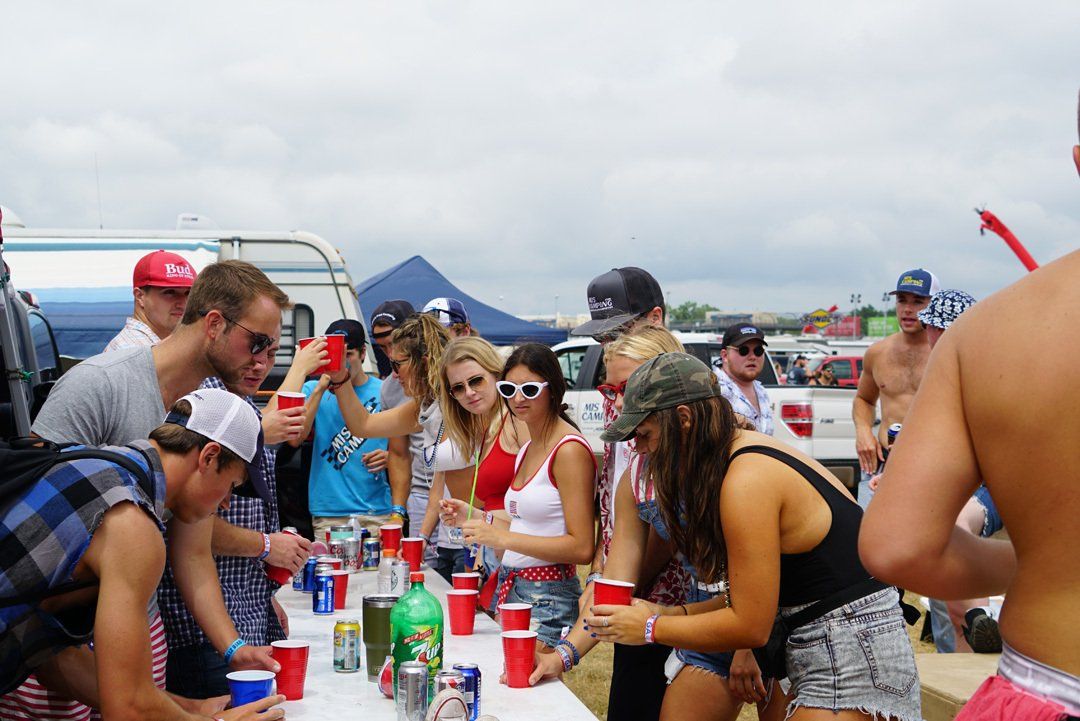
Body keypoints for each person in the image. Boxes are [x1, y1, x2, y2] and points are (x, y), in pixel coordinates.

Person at [587, 353, 921, 721]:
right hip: (830, 641)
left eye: (645, 434)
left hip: (851, 654)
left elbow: (749, 625)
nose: (640, 448)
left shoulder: (745, 479)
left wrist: (651, 627)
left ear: (683, 419)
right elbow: (747, 598)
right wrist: (665, 612)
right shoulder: (737, 454)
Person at [28, 261, 300, 692]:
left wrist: (232, 648)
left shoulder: (211, 405)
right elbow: (32, 540)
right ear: (214, 324)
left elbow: (191, 550)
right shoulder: (98, 387)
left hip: (145, 637)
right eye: (259, 341)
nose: (264, 359)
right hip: (62, 647)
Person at [0, 389, 284, 721]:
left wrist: (192, 708)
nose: (226, 504)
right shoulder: (131, 523)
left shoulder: (95, 463)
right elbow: (127, 709)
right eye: (232, 486)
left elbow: (52, 656)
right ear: (208, 456)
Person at [158, 333, 322, 700]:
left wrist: (258, 606)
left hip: (231, 628)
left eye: (271, 353)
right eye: (231, 487)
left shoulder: (151, 493)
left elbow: (193, 549)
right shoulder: (132, 515)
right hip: (196, 641)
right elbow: (124, 701)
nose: (228, 503)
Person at [442, 343, 596, 650]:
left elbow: (582, 548)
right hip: (516, 586)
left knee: (527, 687)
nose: (517, 397)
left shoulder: (568, 450)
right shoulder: (528, 447)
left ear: (553, 388)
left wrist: (502, 539)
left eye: (528, 388)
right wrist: (474, 515)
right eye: (509, 388)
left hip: (547, 593)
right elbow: (525, 522)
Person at [570, 266, 668, 721]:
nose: (608, 346)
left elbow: (667, 525)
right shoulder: (619, 386)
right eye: (602, 337)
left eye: (619, 330)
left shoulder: (676, 398)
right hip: (627, 581)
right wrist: (602, 569)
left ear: (656, 319)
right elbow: (615, 487)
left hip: (666, 596)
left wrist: (613, 584)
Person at [280, 320, 408, 538]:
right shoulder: (312, 388)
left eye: (347, 354)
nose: (341, 363)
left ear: (363, 353)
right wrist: (321, 388)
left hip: (377, 509)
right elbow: (294, 440)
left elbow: (405, 450)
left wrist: (389, 457)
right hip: (329, 510)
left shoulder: (385, 389)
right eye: (335, 356)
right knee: (331, 572)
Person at [425, 336, 528, 587]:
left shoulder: (517, 422)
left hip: (526, 568)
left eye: (476, 381)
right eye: (458, 388)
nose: (469, 392)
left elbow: (537, 512)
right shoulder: (480, 430)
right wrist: (468, 515)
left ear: (495, 374)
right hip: (496, 561)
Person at [852, 268, 940, 510]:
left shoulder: (945, 353)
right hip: (882, 462)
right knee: (869, 541)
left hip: (931, 463)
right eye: (902, 300)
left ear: (934, 304)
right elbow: (864, 399)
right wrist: (863, 431)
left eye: (918, 301)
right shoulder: (877, 353)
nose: (908, 309)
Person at [370, 300, 422, 540]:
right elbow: (399, 454)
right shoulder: (390, 388)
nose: (389, 354)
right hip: (420, 499)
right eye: (382, 347)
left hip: (461, 500)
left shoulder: (451, 377)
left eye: (392, 344)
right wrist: (398, 511)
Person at [105, 250, 196, 352]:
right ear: (140, 296)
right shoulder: (132, 351)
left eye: (188, 293)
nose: (183, 303)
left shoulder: (156, 345)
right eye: (170, 292)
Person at [713, 323, 774, 435]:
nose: (752, 357)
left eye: (758, 350)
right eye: (744, 350)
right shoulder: (714, 390)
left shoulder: (761, 390)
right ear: (725, 355)